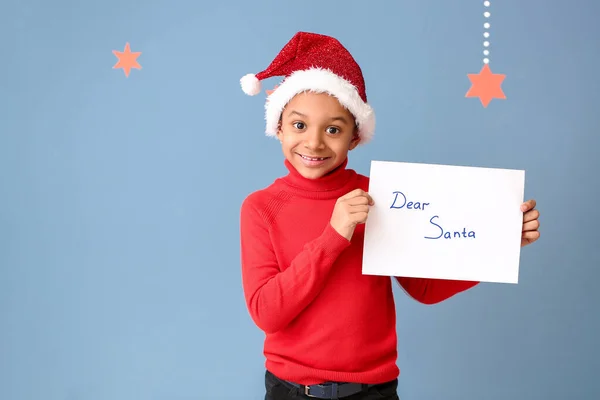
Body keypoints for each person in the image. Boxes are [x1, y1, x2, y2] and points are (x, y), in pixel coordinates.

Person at [238, 32, 541, 400]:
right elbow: (267, 313)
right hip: (291, 390)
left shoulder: (381, 196)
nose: (315, 143)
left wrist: (499, 243)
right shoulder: (261, 207)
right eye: (300, 125)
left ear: (354, 137)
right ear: (279, 128)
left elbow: (425, 288)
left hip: (373, 391)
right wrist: (334, 236)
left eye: (333, 129)